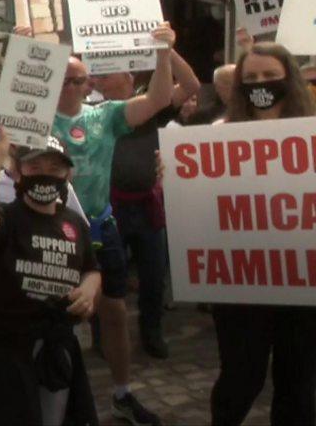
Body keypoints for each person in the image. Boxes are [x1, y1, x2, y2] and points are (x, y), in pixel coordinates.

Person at [49, 23, 176, 426]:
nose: (71, 86)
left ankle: (122, 394)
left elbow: (157, 98)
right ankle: (58, 403)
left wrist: (162, 52)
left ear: (89, 84)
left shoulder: (107, 114)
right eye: (63, 80)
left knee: (116, 313)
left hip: (102, 227)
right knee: (56, 322)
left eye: (79, 80)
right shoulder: (33, 119)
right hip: (53, 232)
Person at [0, 130, 101, 426]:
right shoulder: (10, 216)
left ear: (66, 175)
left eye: (54, 169)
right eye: (35, 168)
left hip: (55, 344)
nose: (45, 176)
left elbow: (92, 267)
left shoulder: (74, 222)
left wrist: (89, 288)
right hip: (7, 348)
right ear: (19, 173)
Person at [209, 42, 316, 426]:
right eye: (251, 78)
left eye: (270, 76)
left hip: (303, 281)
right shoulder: (219, 134)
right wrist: (172, 178)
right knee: (241, 378)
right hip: (242, 279)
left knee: (299, 382)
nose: (261, 84)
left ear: (289, 78)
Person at [91, 47, 200, 359]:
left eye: (106, 72)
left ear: (128, 77)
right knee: (108, 275)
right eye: (98, 74)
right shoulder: (93, 112)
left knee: (153, 277)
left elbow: (191, 85)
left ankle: (151, 332)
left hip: (146, 205)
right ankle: (103, 336)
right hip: (108, 206)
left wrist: (166, 49)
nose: (99, 79)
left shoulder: (152, 106)